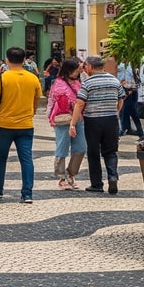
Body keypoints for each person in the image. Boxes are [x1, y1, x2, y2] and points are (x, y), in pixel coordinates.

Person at [0, 46, 46, 203]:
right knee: (26, 159)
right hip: (25, 124)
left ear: (7, 60)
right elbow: (37, 98)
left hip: (4, 124)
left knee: (0, 158)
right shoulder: (33, 78)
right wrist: (32, 112)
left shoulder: (1, 78)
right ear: (24, 60)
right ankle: (27, 194)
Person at [73, 55, 125, 195]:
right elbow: (121, 99)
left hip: (93, 121)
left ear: (89, 67)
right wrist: (115, 112)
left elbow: (80, 103)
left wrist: (73, 123)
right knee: (111, 152)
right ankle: (112, 176)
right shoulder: (114, 80)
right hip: (111, 120)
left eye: (85, 67)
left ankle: (97, 184)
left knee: (94, 152)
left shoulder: (88, 83)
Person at [47, 57, 84, 190]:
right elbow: (53, 100)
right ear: (68, 70)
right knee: (62, 147)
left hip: (79, 118)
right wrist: (49, 117)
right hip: (63, 119)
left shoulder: (78, 83)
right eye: (75, 70)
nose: (77, 73)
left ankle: (71, 173)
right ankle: (62, 177)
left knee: (81, 148)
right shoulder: (58, 83)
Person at [116, 57, 144, 139]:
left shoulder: (125, 67)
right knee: (127, 112)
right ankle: (126, 130)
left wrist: (130, 89)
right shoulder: (123, 67)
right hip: (128, 91)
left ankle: (126, 130)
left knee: (129, 112)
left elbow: (128, 81)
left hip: (129, 92)